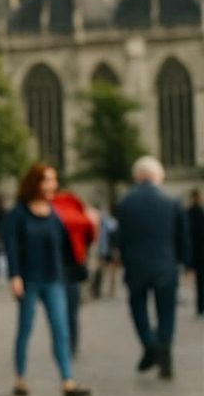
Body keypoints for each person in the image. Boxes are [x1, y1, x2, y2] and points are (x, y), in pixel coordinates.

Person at [4, 163, 91, 396]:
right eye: (48, 180)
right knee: (26, 329)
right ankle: (20, 378)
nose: (53, 185)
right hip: (29, 280)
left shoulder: (55, 211)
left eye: (54, 180)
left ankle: (68, 382)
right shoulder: (18, 214)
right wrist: (15, 275)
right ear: (35, 183)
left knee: (61, 331)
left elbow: (67, 244)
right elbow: (11, 246)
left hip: (55, 279)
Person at [115, 156, 190, 379]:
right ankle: (164, 348)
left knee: (139, 310)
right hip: (166, 267)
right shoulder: (172, 201)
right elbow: (182, 237)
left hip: (136, 267)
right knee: (167, 313)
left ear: (137, 176)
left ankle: (149, 344)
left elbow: (121, 238)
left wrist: (121, 259)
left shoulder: (126, 202)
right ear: (160, 176)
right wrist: (186, 263)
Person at [50, 188, 97, 356]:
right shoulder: (77, 210)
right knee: (72, 310)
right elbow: (91, 232)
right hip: (74, 266)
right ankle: (72, 344)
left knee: (57, 310)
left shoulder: (52, 208)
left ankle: (61, 343)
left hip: (55, 268)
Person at [188, 188, 204, 317]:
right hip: (199, 251)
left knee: (199, 281)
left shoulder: (188, 213)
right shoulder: (199, 213)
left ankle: (200, 307)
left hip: (195, 251)